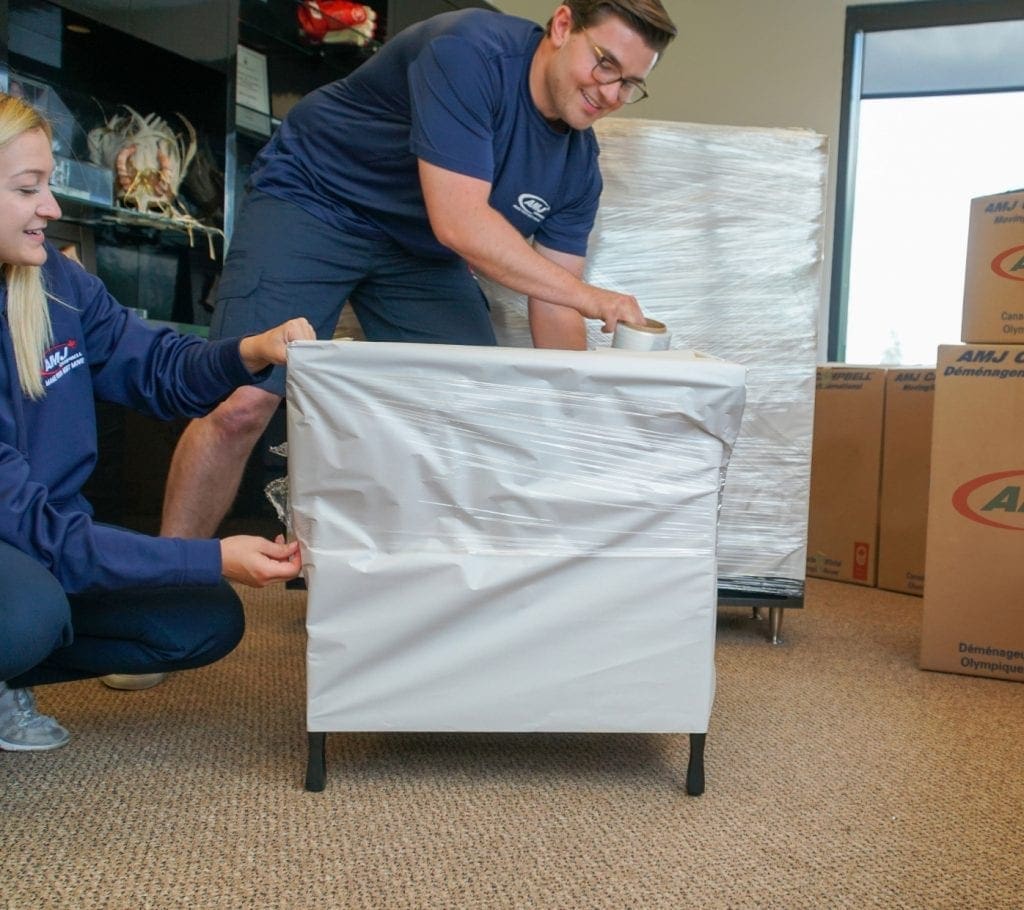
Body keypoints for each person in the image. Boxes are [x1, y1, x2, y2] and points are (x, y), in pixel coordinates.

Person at [160, 0, 677, 541]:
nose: (611, 93)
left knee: (474, 411)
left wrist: (583, 418)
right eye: (605, 64)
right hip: (317, 199)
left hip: (418, 249)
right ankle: (166, 573)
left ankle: (420, 578)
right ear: (563, 25)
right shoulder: (470, 52)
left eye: (630, 84)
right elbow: (460, 222)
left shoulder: (576, 167)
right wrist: (592, 297)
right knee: (242, 403)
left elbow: (555, 302)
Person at [0, 92, 315, 751]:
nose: (51, 208)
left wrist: (250, 351)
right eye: (28, 190)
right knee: (26, 615)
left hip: (43, 540)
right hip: (26, 544)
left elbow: (158, 370)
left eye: (49, 185)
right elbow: (40, 535)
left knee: (199, 619)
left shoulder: (56, 282)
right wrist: (211, 555)